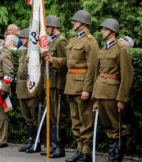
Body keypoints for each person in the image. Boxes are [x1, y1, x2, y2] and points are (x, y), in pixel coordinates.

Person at [45, 10, 99, 162]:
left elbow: (92, 67)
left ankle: (86, 152)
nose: (73, 23)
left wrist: (87, 89)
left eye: (76, 21)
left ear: (83, 23)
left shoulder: (90, 42)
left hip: (82, 86)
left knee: (85, 120)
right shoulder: (73, 40)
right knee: (75, 121)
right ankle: (79, 150)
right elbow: (67, 62)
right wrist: (53, 60)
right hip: (71, 85)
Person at [92, 18, 133, 162]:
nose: (102, 31)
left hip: (112, 94)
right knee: (109, 127)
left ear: (113, 32)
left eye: (105, 29)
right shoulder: (102, 49)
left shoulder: (121, 50)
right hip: (101, 93)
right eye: (102, 29)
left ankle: (116, 159)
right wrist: (96, 98)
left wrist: (121, 99)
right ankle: (112, 157)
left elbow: (127, 76)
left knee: (118, 127)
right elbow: (98, 74)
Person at [40, 15, 68, 158]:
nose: (45, 30)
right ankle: (52, 145)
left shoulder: (61, 42)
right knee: (51, 116)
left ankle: (59, 147)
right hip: (49, 83)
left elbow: (66, 62)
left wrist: (53, 60)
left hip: (57, 83)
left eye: (47, 27)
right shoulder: (50, 43)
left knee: (58, 116)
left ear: (53, 28)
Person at [16, 28, 40, 153]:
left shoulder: (35, 53)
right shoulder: (23, 52)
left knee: (34, 117)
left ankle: (36, 142)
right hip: (21, 88)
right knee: (27, 118)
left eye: (23, 38)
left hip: (30, 89)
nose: (21, 40)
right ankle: (30, 141)